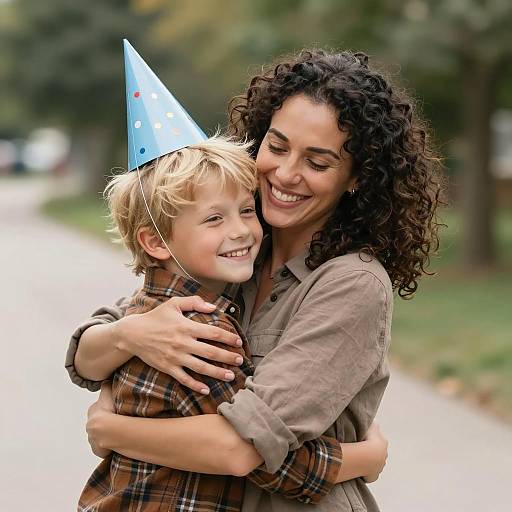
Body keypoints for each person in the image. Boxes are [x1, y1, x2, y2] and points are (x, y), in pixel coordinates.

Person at [67, 48, 443, 511]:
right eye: (278, 146)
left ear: (355, 178)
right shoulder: (237, 250)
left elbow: (241, 446)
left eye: (317, 162)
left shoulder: (352, 283)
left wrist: (111, 430)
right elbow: (88, 356)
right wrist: (130, 333)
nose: (286, 174)